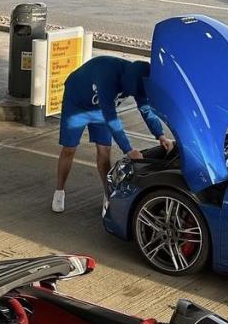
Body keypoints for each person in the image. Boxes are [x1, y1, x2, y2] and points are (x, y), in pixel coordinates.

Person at [52, 55, 172, 214]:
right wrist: (128, 150)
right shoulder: (106, 75)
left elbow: (145, 109)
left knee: (104, 151)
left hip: (100, 108)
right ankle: (59, 191)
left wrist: (160, 135)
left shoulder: (140, 78)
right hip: (77, 103)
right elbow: (111, 118)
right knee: (69, 148)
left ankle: (108, 194)